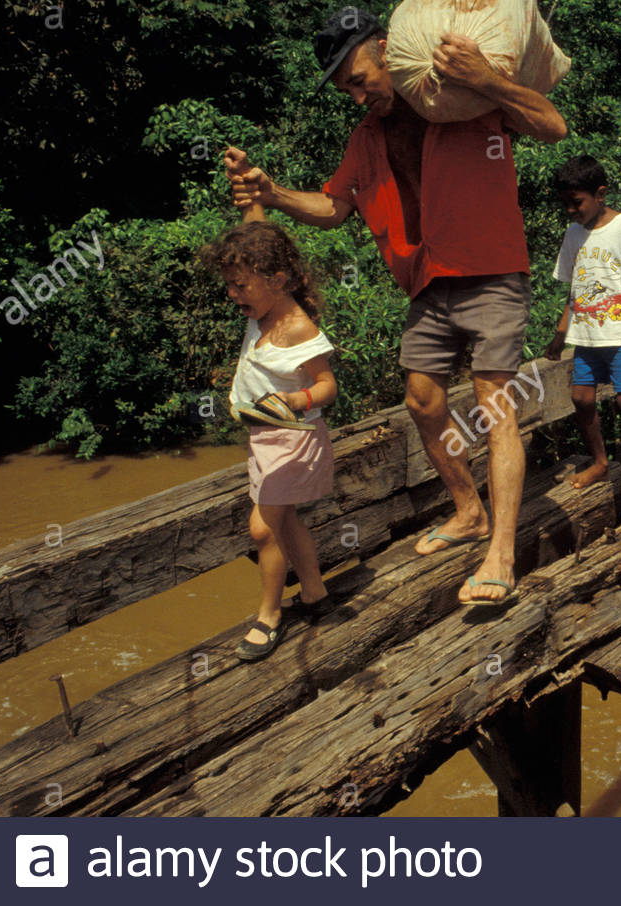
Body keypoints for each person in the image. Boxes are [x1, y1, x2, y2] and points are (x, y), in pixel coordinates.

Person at [226, 8, 567, 606]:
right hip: (427, 281)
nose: (358, 95)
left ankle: (502, 554)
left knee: (494, 405)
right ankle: (469, 511)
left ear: (386, 50)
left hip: (490, 268)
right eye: (347, 90)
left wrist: (486, 78)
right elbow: (335, 207)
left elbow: (551, 125)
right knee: (422, 400)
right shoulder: (368, 137)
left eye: (360, 79)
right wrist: (271, 193)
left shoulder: (457, 95)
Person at [205, 212, 338, 661]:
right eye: (230, 284)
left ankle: (269, 615)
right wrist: (250, 192)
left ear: (277, 281)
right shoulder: (260, 310)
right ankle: (315, 591)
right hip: (263, 441)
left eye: (241, 285)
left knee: (263, 529)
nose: (232, 294)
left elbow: (327, 387)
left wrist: (297, 401)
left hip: (295, 440)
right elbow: (257, 232)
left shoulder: (298, 327)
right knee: (285, 523)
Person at [544, 156, 621, 521]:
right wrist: (560, 333)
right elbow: (574, 289)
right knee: (581, 398)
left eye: (576, 202)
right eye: (565, 203)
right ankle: (599, 462)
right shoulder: (573, 234)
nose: (570, 210)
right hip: (587, 334)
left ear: (600, 194)